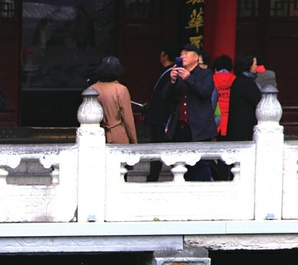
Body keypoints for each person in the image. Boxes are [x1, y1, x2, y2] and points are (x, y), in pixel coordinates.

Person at [162, 44, 216, 181]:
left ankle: (203, 191)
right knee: (182, 164)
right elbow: (164, 97)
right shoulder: (178, 74)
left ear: (196, 58)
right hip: (181, 127)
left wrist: (189, 79)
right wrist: (172, 80)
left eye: (186, 54)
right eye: (181, 54)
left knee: (201, 163)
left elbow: (205, 92)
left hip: (199, 127)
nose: (182, 57)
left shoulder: (206, 74)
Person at [141, 44, 176, 181]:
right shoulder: (165, 72)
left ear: (165, 56)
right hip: (158, 116)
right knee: (156, 147)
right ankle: (153, 175)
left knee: (161, 147)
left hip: (163, 117)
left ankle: (154, 176)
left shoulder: (171, 73)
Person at [89, 56, 137, 144]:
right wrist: (134, 140)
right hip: (118, 135)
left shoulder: (92, 89)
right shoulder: (121, 90)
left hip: (96, 135)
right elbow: (128, 120)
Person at [226, 52, 261, 143]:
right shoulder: (245, 83)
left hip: (241, 125)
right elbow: (258, 101)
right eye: (255, 64)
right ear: (249, 65)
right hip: (243, 126)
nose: (256, 66)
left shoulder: (241, 80)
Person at [212, 55, 235, 139]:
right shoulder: (235, 79)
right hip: (231, 117)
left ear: (215, 68)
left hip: (216, 116)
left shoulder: (212, 78)